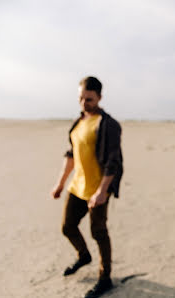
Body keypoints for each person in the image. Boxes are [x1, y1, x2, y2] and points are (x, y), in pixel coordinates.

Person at [50, 76, 123, 298]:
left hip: (98, 188)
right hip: (77, 186)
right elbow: (72, 154)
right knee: (67, 226)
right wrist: (60, 183)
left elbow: (113, 161)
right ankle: (83, 256)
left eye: (89, 99)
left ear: (99, 97)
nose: (84, 103)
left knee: (99, 232)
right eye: (81, 98)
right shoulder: (78, 122)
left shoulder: (108, 124)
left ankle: (105, 278)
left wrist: (102, 192)